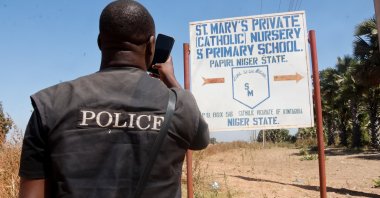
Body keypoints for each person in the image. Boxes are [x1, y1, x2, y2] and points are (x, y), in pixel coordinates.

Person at [18, 0, 209, 197]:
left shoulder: (50, 103)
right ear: (151, 45)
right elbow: (200, 140)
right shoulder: (180, 103)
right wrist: (171, 79)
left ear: (100, 42)